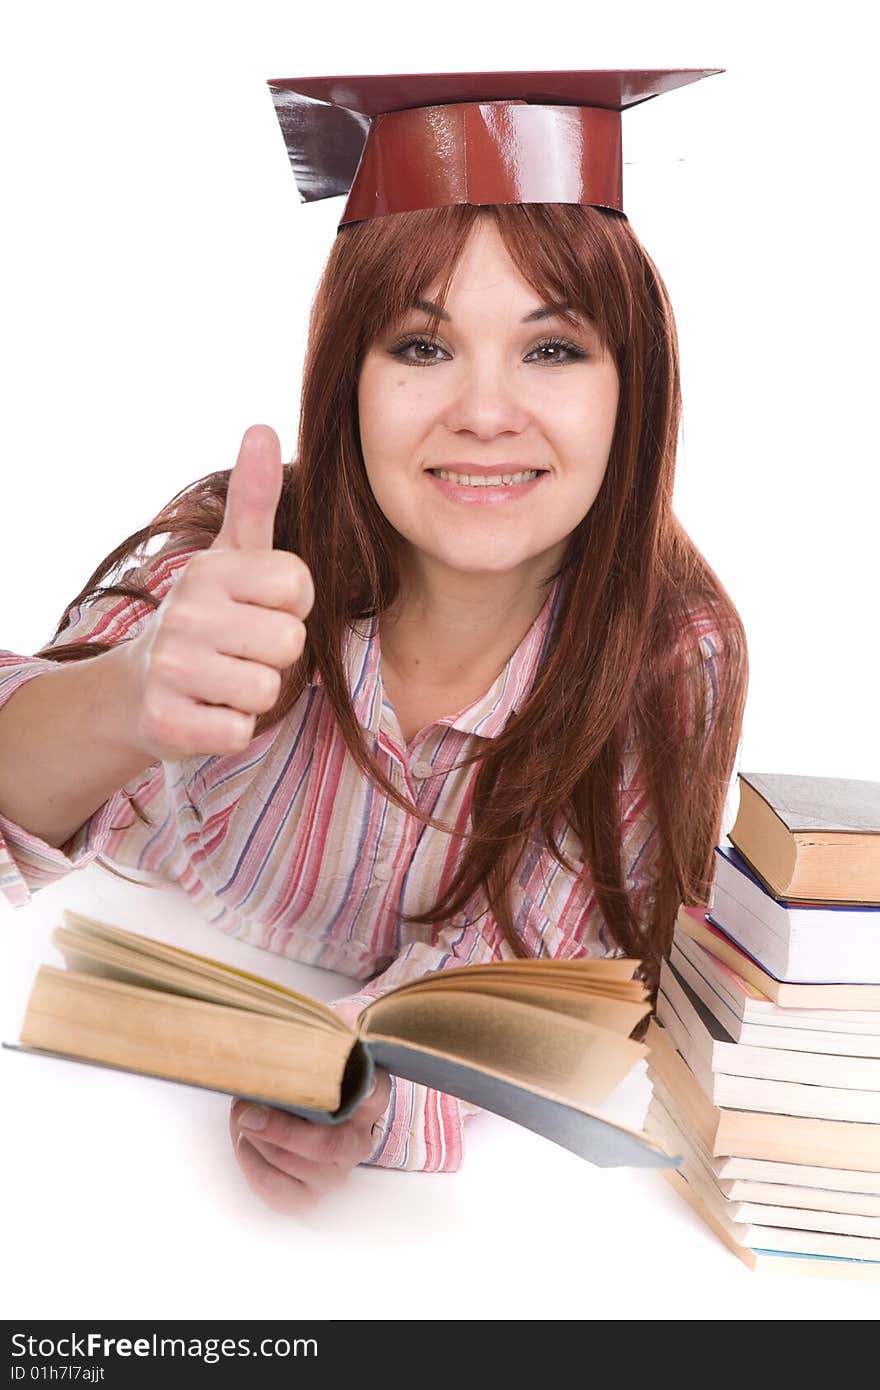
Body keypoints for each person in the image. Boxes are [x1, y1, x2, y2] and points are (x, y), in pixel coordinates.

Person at [0, 69, 748, 1214]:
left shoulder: (666, 661)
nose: (485, 412)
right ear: (346, 379)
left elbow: (544, 979)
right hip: (86, 1086)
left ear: (631, 388)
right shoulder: (241, 567)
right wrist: (128, 693)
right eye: (420, 346)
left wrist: (360, 1090)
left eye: (552, 350)